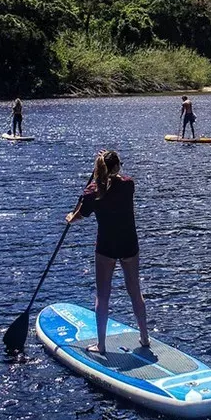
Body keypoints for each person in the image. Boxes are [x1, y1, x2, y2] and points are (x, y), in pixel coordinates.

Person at [66, 150, 149, 354]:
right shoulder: (129, 185)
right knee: (135, 291)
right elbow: (115, 183)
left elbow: (81, 214)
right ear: (117, 166)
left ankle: (101, 345)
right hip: (129, 244)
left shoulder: (93, 191)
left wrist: (70, 217)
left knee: (103, 296)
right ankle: (145, 337)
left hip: (106, 246)